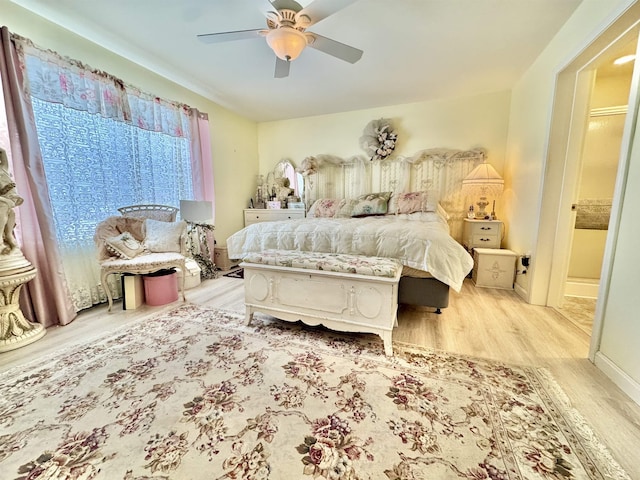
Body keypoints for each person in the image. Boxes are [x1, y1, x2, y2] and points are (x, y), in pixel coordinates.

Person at [0, 148, 23, 255]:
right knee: (5, 209)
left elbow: (3, 152)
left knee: (9, 211)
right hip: (3, 199)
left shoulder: (3, 168)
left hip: (10, 197)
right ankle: (3, 241)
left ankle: (8, 237)